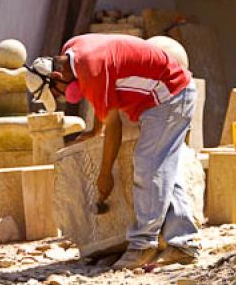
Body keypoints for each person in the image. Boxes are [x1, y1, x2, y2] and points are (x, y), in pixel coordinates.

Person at [25, 34, 199, 270]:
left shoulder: (90, 70)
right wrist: (95, 130)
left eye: (57, 92)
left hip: (170, 95)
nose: (63, 97)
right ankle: (182, 245)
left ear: (56, 77)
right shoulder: (72, 48)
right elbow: (105, 105)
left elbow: (114, 126)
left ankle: (143, 244)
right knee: (163, 168)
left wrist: (104, 175)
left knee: (148, 167)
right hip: (172, 91)